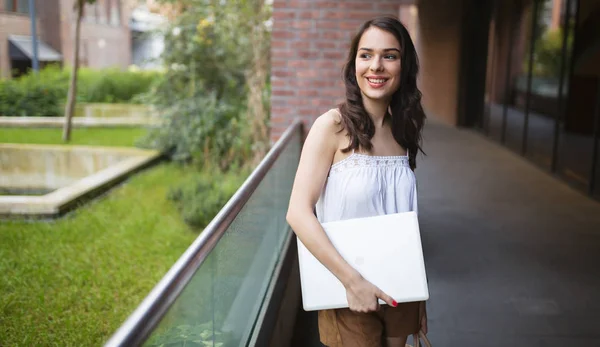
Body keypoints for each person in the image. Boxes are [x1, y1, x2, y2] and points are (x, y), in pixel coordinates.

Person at [285, 16, 427, 347]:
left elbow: (404, 216)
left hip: (400, 289)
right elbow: (298, 212)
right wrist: (353, 282)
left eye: (389, 55)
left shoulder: (403, 130)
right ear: (354, 64)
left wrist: (420, 294)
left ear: (403, 66)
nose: (376, 66)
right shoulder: (332, 126)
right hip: (347, 291)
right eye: (366, 55)